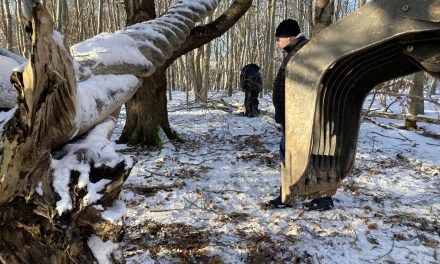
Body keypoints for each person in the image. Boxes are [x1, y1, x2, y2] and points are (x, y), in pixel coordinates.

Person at [267, 19, 334, 211]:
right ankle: (299, 192)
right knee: (294, 154)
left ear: (288, 37)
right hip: (296, 116)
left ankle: (297, 194)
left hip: (302, 117)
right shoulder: (297, 52)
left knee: (299, 155)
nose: (277, 43)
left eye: (278, 39)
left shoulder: (304, 53)